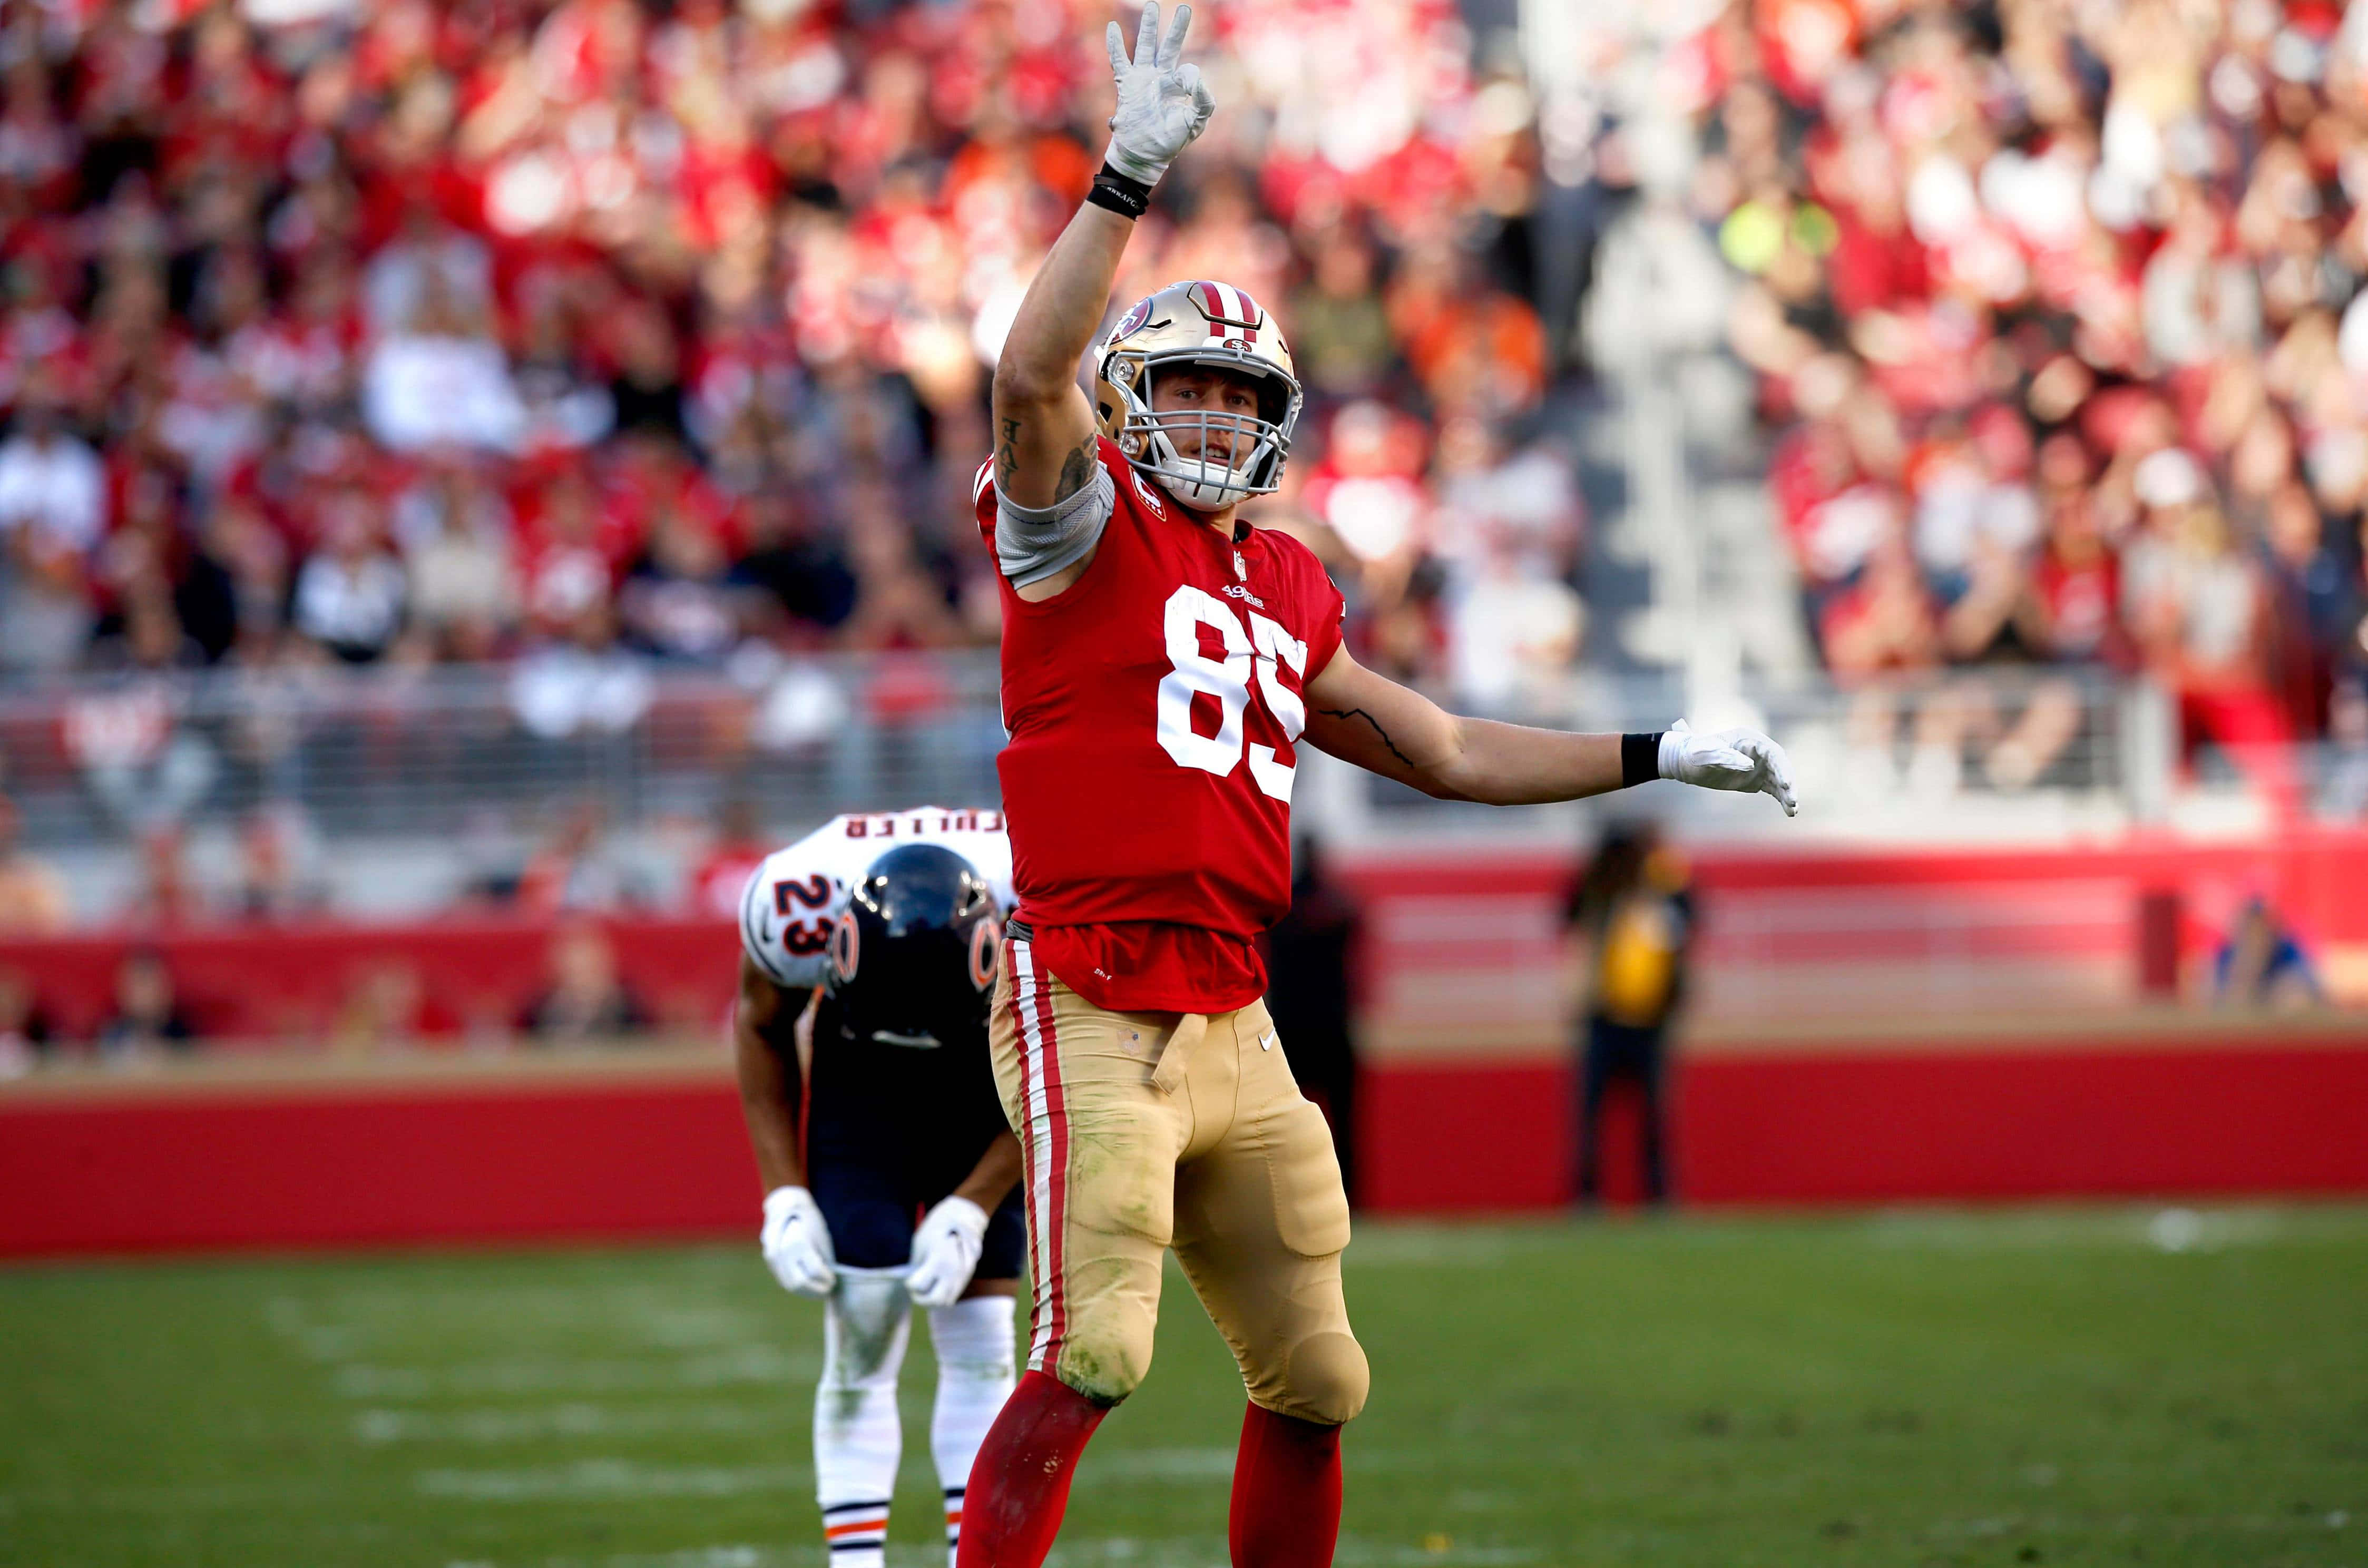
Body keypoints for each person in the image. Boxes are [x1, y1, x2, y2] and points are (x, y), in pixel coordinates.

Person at [958, 9, 1800, 1565]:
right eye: (1187, 390)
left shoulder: (1287, 583)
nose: (1214, 418)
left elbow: (1449, 749)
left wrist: (1654, 750)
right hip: (1089, 986)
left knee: (1321, 1375)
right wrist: (1124, 178)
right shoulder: (1080, 530)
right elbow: (1025, 371)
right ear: (1130, 399)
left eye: (1238, 398)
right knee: (1095, 1352)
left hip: (1235, 1001)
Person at [734, 807, 1025, 1568]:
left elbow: (1075, 1067)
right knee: (863, 1315)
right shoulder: (794, 904)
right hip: (857, 1077)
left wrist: (974, 1204)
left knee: (982, 1340)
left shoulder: (1046, 895)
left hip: (991, 1068)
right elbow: (761, 1024)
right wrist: (782, 1194)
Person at [1560, 820, 1695, 1207]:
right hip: (1603, 1017)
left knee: (1654, 1115)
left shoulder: (1663, 892)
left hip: (1651, 1019)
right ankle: (1587, 1194)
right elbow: (1572, 915)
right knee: (1590, 1112)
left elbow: (1688, 916)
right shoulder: (1601, 893)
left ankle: (1658, 1193)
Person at [1262, 837, 1365, 1205]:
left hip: (1289, 1028)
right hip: (1332, 1026)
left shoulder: (1281, 910)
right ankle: (1351, 1198)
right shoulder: (1337, 908)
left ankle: (1291, 1196)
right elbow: (1355, 921)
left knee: (1286, 1122)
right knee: (1345, 1122)